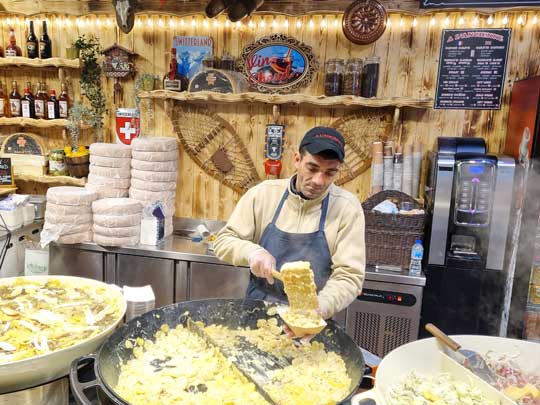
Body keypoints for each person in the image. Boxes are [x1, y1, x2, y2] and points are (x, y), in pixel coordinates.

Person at [214, 126, 365, 326]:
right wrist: (252, 252)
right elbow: (223, 241)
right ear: (297, 160)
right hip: (258, 313)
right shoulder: (263, 195)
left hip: (311, 317)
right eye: (312, 168)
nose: (319, 181)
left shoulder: (346, 208)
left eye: (330, 173)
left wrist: (321, 307)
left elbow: (349, 275)